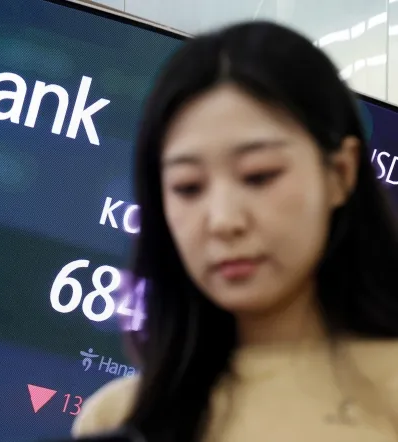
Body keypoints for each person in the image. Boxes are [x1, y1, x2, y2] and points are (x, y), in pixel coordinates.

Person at [70, 20, 398, 442]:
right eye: (188, 187)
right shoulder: (117, 418)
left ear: (340, 173)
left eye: (259, 176)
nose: (224, 220)